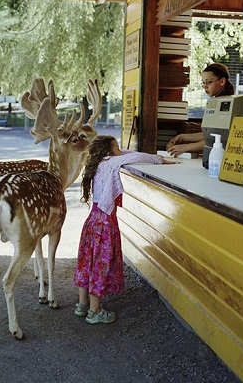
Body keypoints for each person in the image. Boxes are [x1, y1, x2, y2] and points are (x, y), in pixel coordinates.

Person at [73, 135, 173, 324]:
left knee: (87, 261)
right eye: (117, 147)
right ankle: (95, 312)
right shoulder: (113, 163)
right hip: (105, 224)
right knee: (100, 266)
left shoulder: (99, 162)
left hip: (92, 220)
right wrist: (161, 160)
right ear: (110, 152)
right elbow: (136, 157)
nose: (120, 150)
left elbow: (126, 154)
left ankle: (82, 304)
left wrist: (117, 151)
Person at [167, 62, 235, 157]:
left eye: (209, 82)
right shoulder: (216, 101)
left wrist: (185, 148)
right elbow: (210, 135)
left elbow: (219, 138)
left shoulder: (228, 104)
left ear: (222, 81)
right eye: (203, 83)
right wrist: (182, 137)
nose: (205, 87)